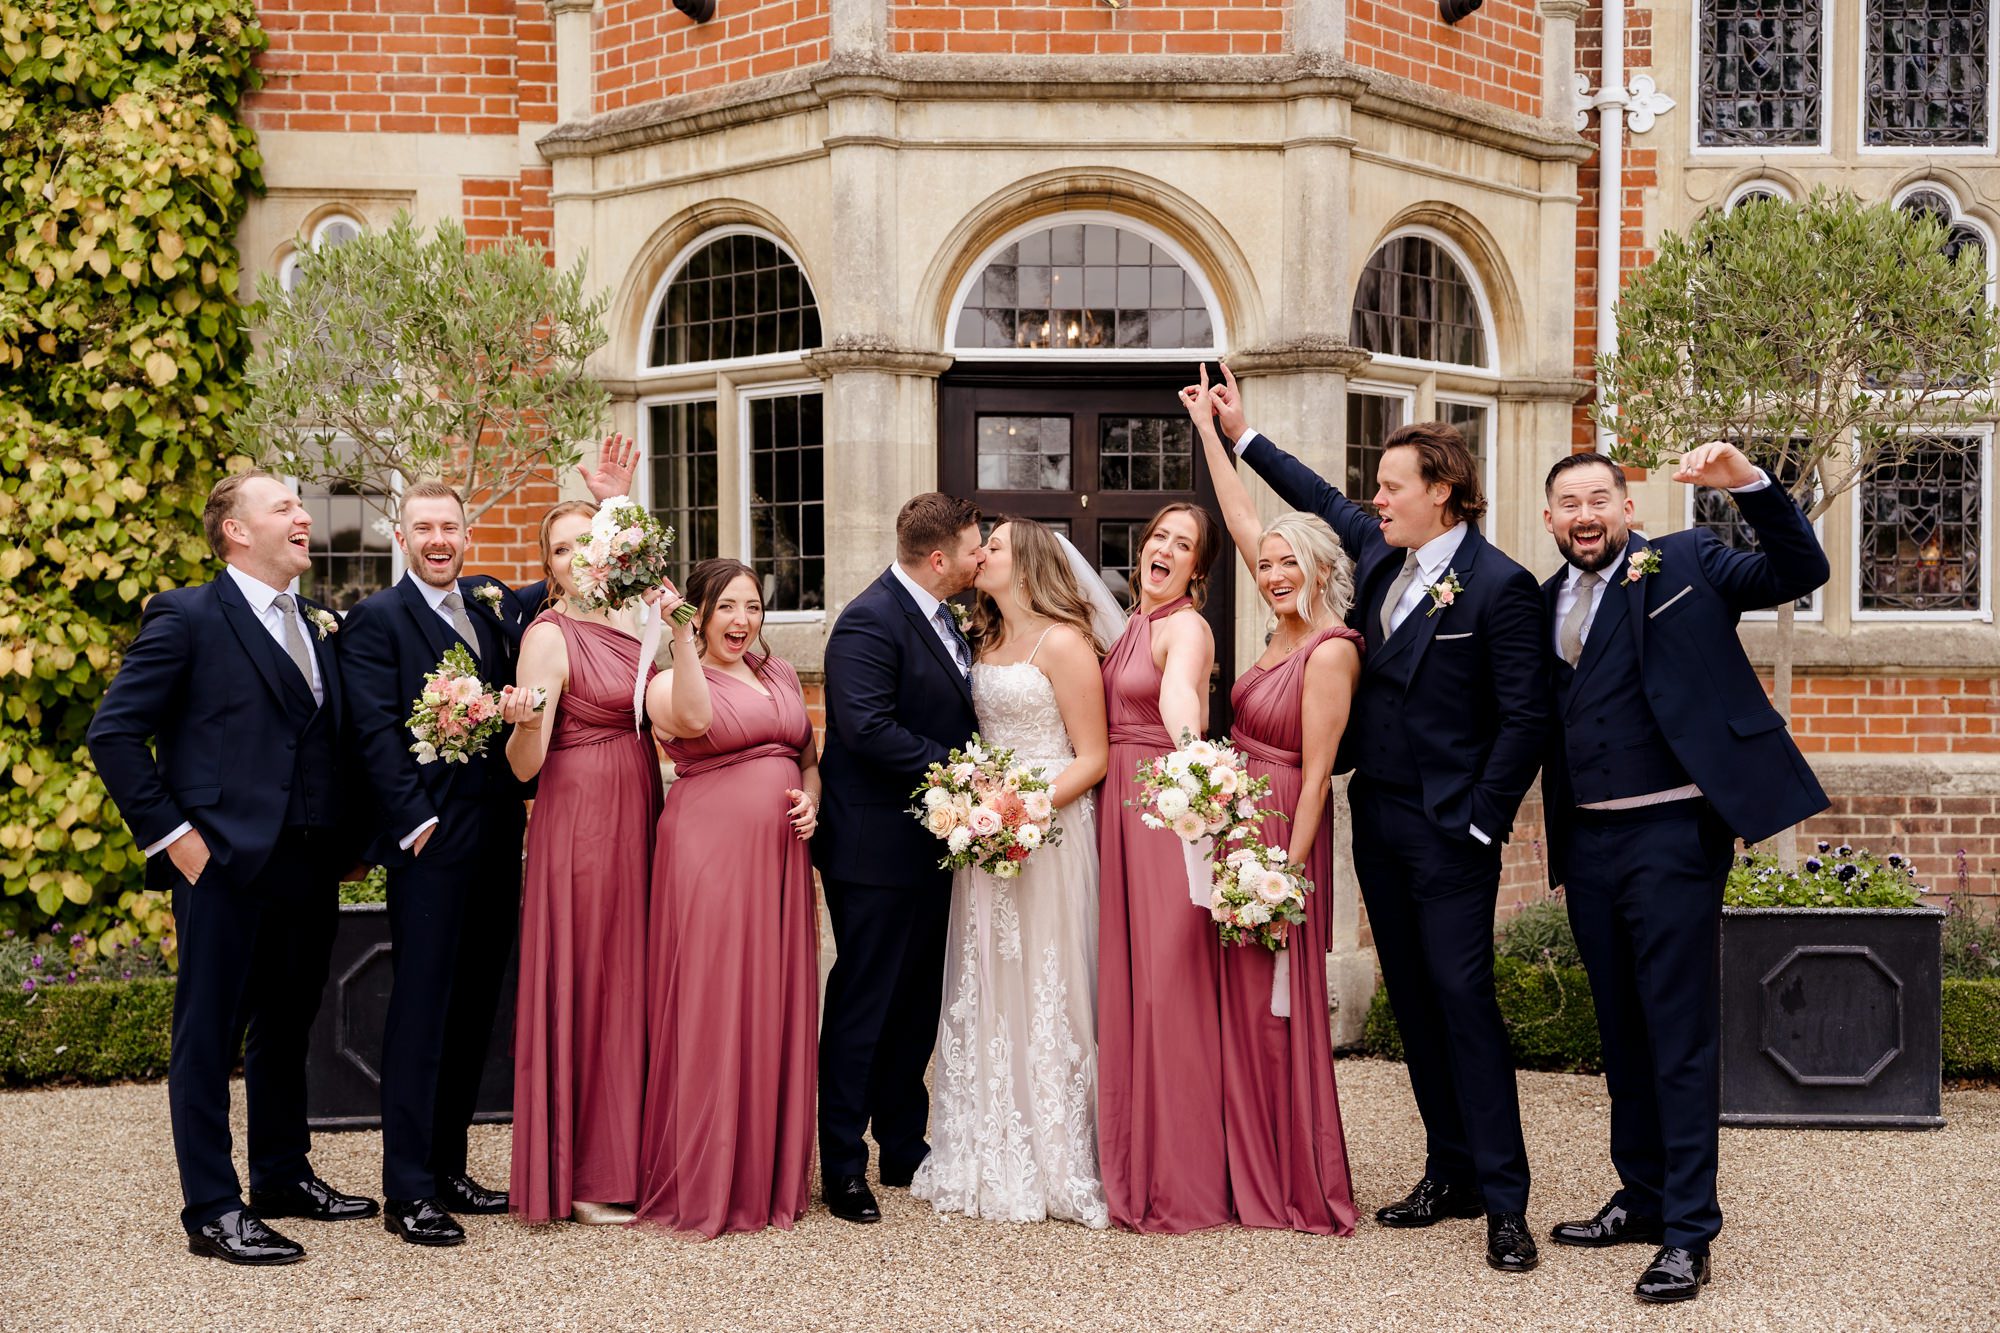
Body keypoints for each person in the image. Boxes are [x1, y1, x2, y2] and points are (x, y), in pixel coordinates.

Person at [1210, 363, 1549, 1272]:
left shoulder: (1501, 586)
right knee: (1414, 1000)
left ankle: (1506, 1203)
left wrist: (1482, 821)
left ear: (1444, 492)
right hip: (1380, 823)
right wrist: (1243, 437)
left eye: (1393, 487)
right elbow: (1317, 496)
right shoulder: (1382, 557)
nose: (1377, 500)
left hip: (1453, 834)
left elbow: (1525, 719)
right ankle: (1451, 1171)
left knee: (1464, 1000)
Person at [1537, 446, 1829, 1304]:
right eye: (1568, 503)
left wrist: (1749, 485)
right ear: (1550, 519)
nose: (1585, 515)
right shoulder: (1545, 600)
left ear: (1627, 508)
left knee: (1677, 1033)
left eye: (1599, 498)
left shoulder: (1689, 560)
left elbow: (1799, 569)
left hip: (1671, 837)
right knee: (1622, 1031)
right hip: (1588, 843)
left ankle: (1689, 1232)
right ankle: (1643, 1195)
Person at [87, 471, 374, 1265]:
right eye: (283, 507)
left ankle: (281, 1174)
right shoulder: (186, 615)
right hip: (220, 866)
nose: (303, 517)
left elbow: (325, 738)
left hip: (309, 864)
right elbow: (114, 733)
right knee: (208, 1036)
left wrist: (348, 841)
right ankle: (213, 1208)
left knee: (288, 1024)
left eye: (300, 506)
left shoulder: (316, 622)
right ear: (235, 531)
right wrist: (175, 837)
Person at [1183, 375, 1362, 1236]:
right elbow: (1242, 518)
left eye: (1291, 563)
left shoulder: (1329, 651)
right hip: (1238, 821)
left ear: (1323, 570)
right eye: (1267, 564)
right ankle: (1237, 1159)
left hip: (1287, 827)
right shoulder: (1276, 625)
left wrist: (1287, 879)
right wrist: (1211, 431)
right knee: (1234, 997)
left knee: (1271, 1003)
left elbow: (1321, 773)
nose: (1275, 573)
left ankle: (1291, 1173)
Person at [340, 480, 535, 1247]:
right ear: (402, 536)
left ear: (465, 532)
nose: (438, 539)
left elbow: (563, 581)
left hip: (496, 836)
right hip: (430, 844)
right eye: (423, 527)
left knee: (475, 1006)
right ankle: (409, 1188)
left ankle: (450, 1167)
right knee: (422, 1010)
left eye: (449, 526)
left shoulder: (487, 609)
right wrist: (413, 823)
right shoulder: (378, 619)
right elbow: (372, 732)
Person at [910, 517, 1118, 1228]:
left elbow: (1093, 757)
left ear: (1024, 562)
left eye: (993, 547)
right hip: (987, 832)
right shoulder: (982, 639)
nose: (980, 556)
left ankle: (1059, 1147)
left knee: (1048, 976)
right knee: (991, 977)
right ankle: (985, 1140)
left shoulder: (1064, 642)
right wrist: (979, 809)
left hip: (1048, 831)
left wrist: (1019, 809)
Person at [502, 502, 676, 1226]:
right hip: (581, 816)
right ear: (548, 566)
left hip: (639, 801)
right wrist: (520, 725)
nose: (576, 558)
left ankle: (631, 1157)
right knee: (592, 975)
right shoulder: (549, 634)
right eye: (561, 548)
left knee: (632, 975)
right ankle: (582, 1171)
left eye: (588, 543)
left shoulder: (634, 623)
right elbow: (524, 767)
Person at [637, 558, 822, 1236]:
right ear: (699, 614)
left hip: (780, 861)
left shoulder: (778, 673)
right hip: (707, 855)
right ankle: (709, 1175)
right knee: (715, 998)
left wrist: (813, 801)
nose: (742, 620)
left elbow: (806, 755)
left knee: (771, 998)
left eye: (752, 606)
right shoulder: (666, 682)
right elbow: (694, 717)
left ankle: (765, 1171)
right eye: (726, 608)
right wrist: (681, 638)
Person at [815, 494, 985, 1224]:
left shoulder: (949, 618)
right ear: (940, 558)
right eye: (975, 548)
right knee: (865, 1003)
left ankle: (903, 1144)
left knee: (916, 1003)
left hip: (931, 847)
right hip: (873, 849)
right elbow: (868, 727)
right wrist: (968, 772)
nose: (983, 557)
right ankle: (841, 1163)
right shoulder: (869, 620)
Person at [1096, 499, 1229, 1234]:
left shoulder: (1187, 628)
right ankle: (1130, 1155)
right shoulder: (1130, 625)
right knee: (1126, 982)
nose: (1166, 549)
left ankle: (1178, 1175)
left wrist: (1192, 759)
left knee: (1163, 986)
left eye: (1183, 544)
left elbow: (1181, 696)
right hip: (1116, 807)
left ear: (1197, 569)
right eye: (1159, 537)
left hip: (1160, 807)